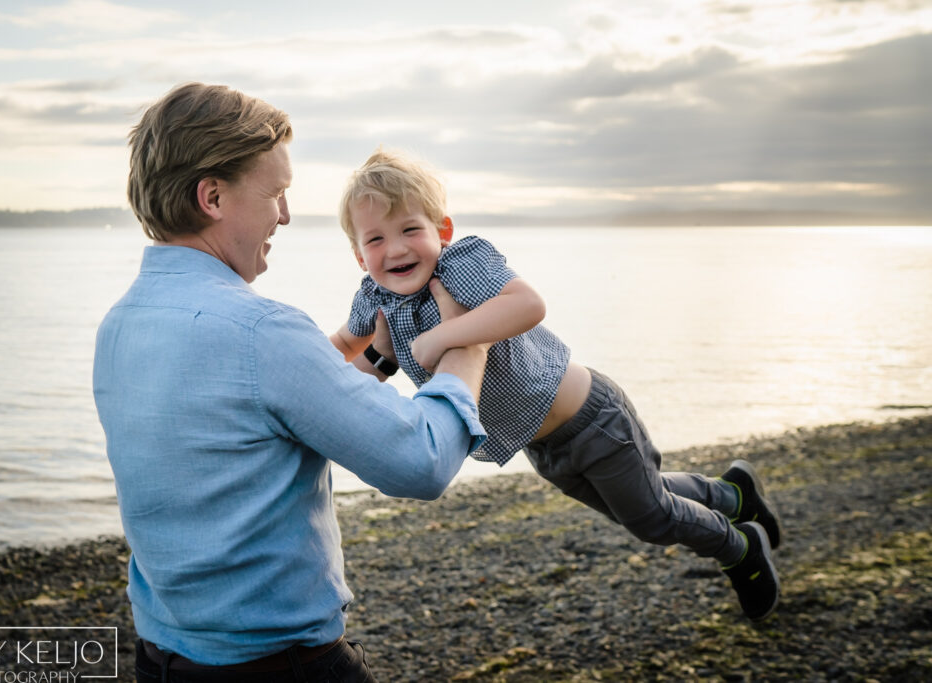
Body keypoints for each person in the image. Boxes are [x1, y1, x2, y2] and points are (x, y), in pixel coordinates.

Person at [93, 84, 491, 683]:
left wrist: (378, 361)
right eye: (276, 192)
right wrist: (470, 343)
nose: (284, 213)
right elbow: (422, 460)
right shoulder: (261, 332)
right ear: (212, 197)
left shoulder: (119, 326)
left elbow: (267, 428)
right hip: (280, 668)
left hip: (162, 659)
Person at [329, 148, 784, 622]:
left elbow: (526, 304)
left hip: (592, 418)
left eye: (410, 230)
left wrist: (440, 337)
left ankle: (740, 549)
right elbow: (344, 346)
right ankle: (733, 495)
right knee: (637, 505)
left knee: (651, 517)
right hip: (541, 447)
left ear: (441, 232)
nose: (397, 248)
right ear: (360, 256)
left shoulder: (460, 266)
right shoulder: (374, 298)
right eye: (376, 239)